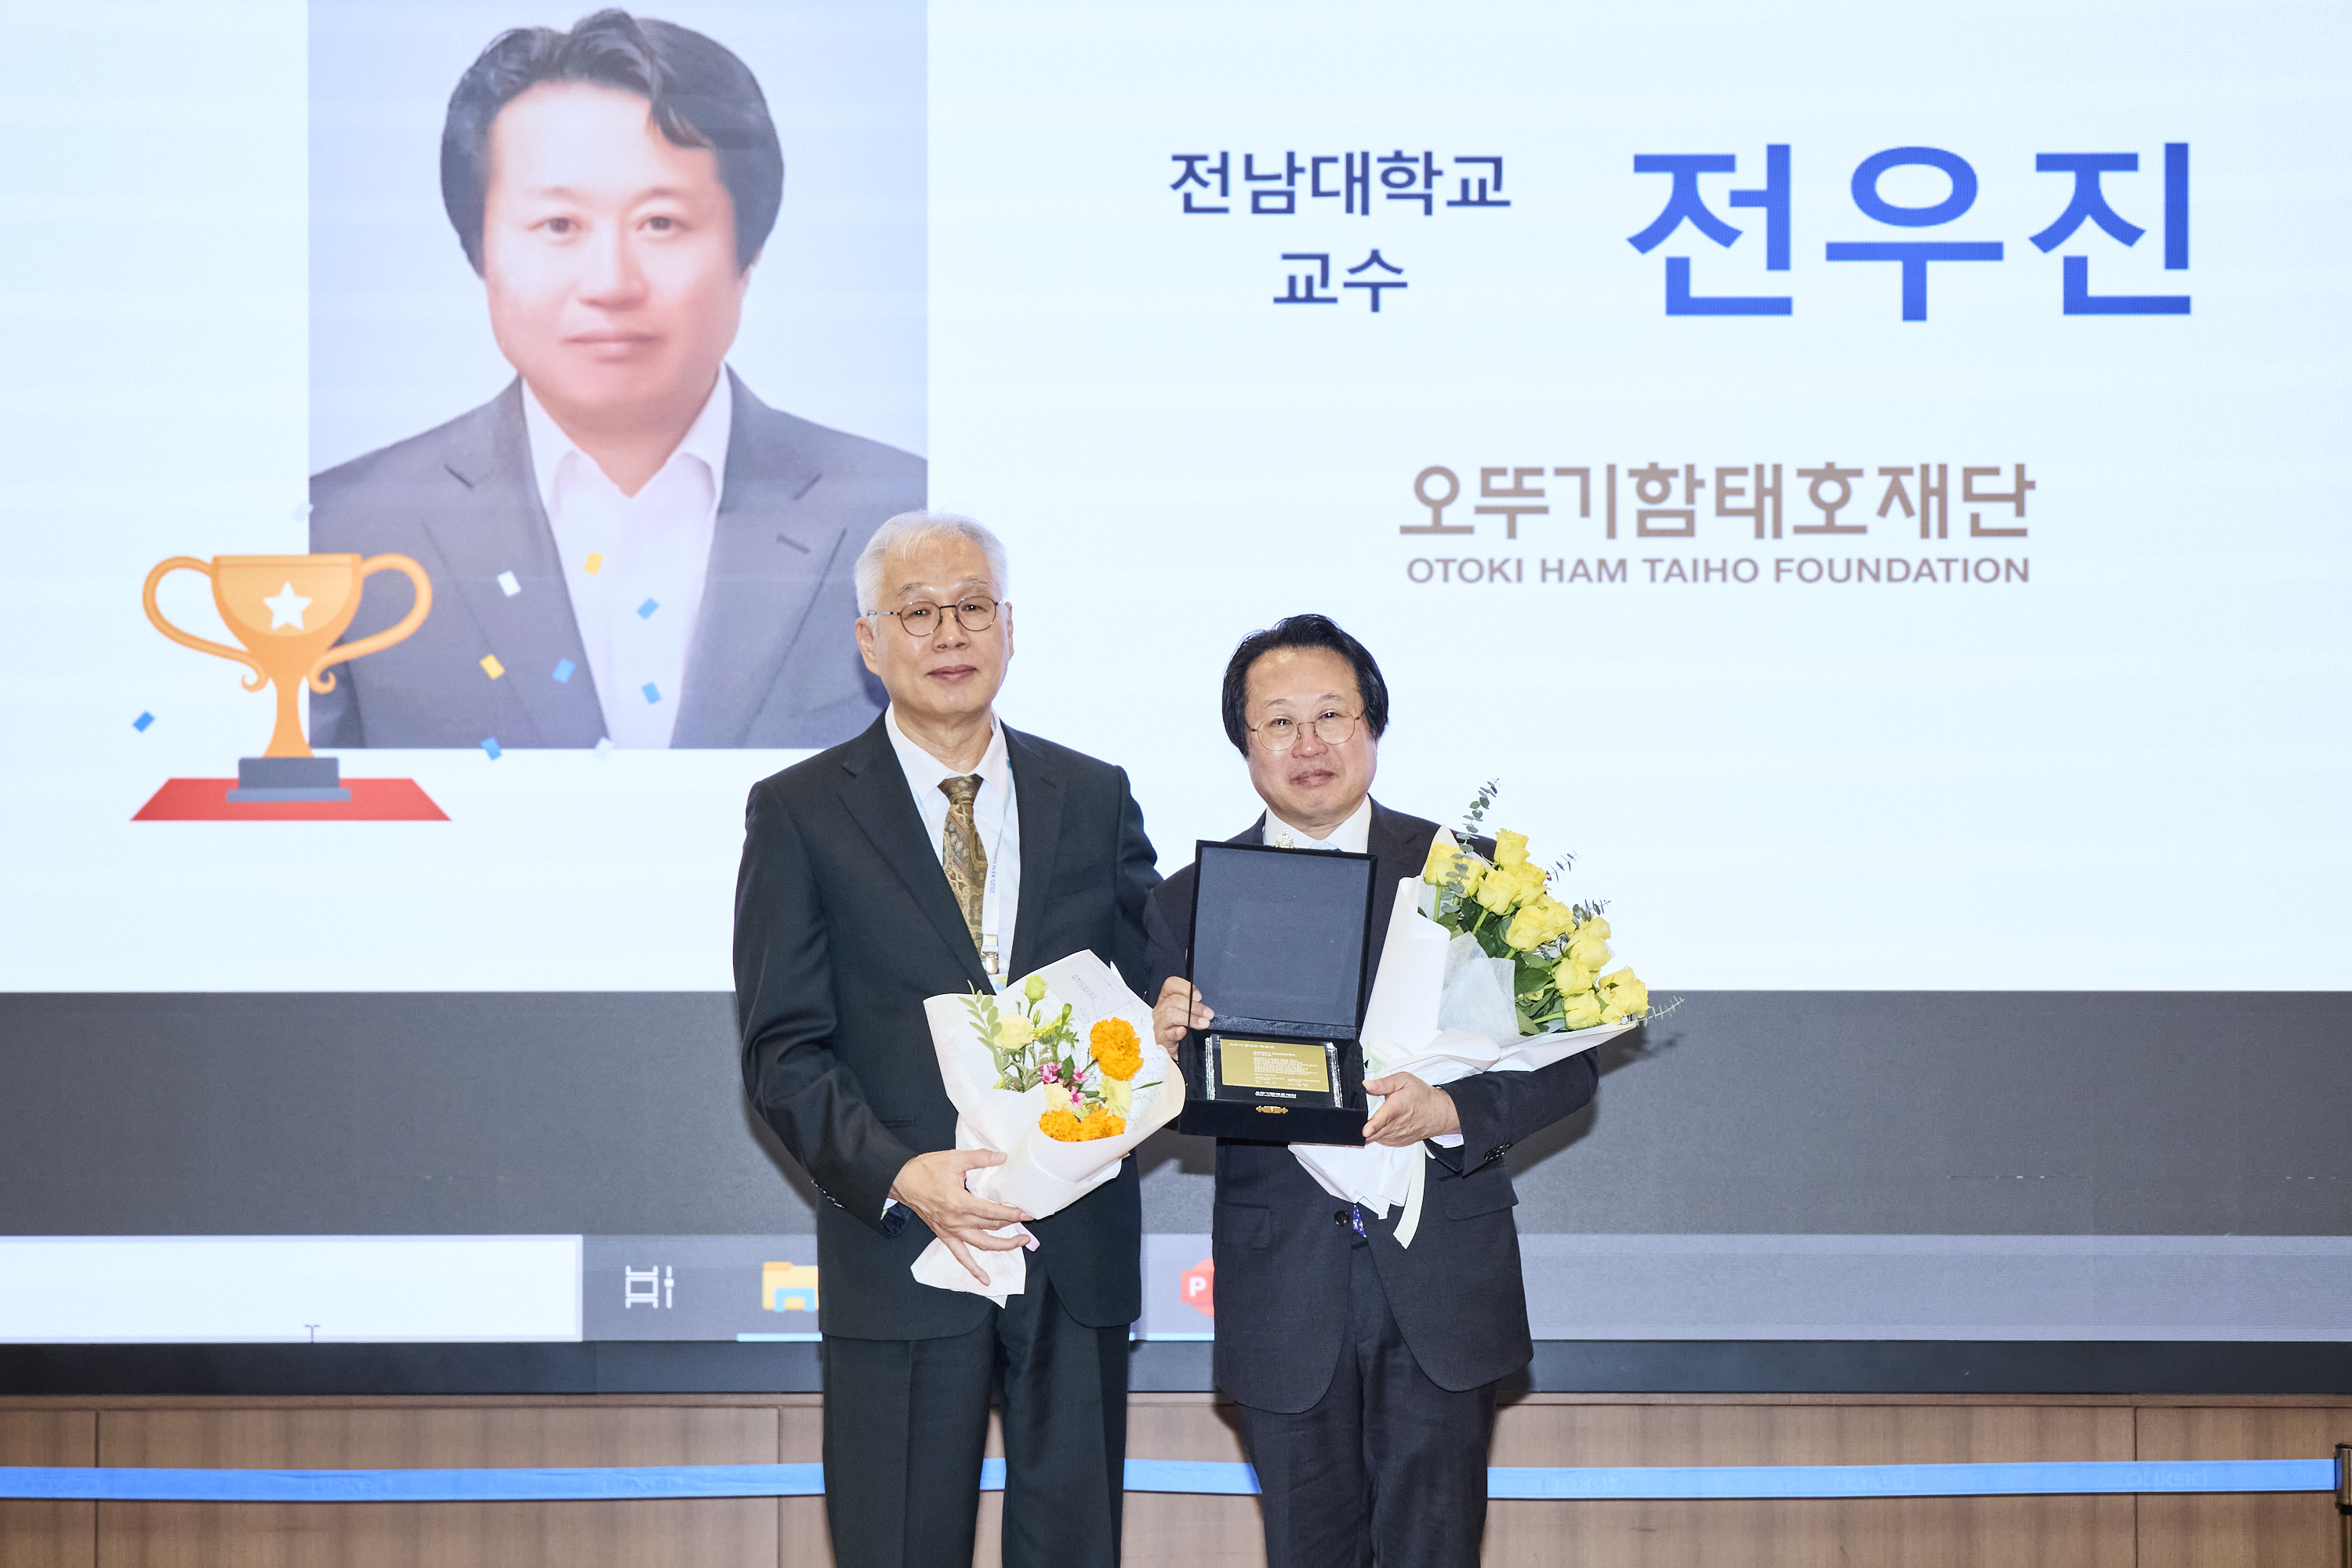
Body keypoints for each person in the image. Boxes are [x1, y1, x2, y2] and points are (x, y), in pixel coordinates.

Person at [310, 9, 920, 749]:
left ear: (747, 253)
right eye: (559, 226)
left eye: (660, 223)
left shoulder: (907, 518)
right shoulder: (342, 535)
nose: (610, 282)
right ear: (480, 254)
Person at [733, 511, 1157, 1568]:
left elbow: (1151, 985)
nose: (950, 632)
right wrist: (900, 1172)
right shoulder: (799, 813)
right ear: (870, 641)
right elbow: (783, 1050)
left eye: (973, 607)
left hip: (1076, 1250)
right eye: (918, 613)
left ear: (1009, 627)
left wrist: (1178, 1013)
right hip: (905, 1251)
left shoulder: (1095, 795)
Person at [1145, 614, 1599, 1568]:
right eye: (1278, 721)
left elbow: (1572, 1058)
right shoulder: (1184, 901)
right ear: (1244, 743)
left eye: (1331, 714)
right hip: (1286, 1295)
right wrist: (1165, 1051)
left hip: (1440, 1284)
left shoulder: (1469, 874)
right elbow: (1166, 1101)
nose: (1308, 743)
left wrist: (1454, 1111)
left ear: (1373, 729)